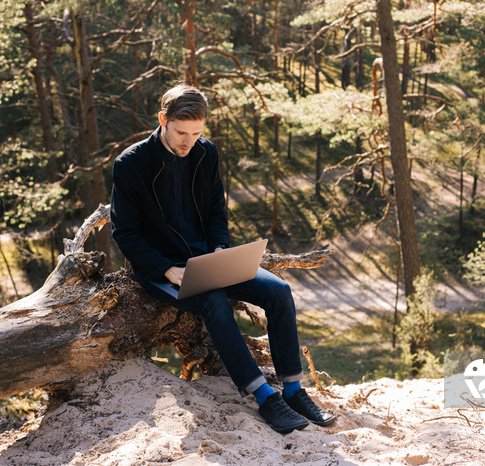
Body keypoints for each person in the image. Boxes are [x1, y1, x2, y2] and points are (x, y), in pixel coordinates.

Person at [110, 83, 335, 434]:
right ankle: (264, 397)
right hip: (158, 270)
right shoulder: (130, 164)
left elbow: (216, 211)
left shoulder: (206, 152)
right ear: (162, 120)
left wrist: (218, 250)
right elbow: (125, 233)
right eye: (181, 132)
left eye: (197, 133)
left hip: (208, 260)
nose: (188, 142)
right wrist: (166, 270)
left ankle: (292, 390)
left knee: (279, 292)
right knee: (215, 302)